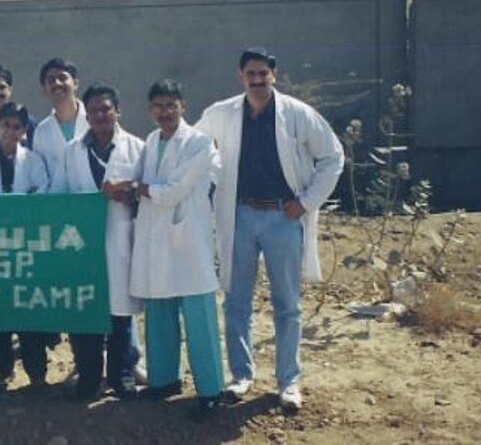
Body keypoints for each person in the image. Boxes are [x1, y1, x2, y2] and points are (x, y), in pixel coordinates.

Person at [195, 47, 344, 412]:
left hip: (284, 217)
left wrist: (306, 202)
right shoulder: (223, 113)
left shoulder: (297, 114)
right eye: (251, 74)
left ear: (273, 75)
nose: (257, 80)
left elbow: (333, 156)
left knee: (287, 304)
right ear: (240, 76)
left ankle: (289, 382)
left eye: (263, 74)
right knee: (236, 301)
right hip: (240, 214)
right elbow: (194, 146)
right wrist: (210, 179)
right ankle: (241, 376)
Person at [122, 79, 224, 421]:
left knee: (199, 320)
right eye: (158, 106)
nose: (165, 112)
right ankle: (165, 380)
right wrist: (130, 186)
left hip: (187, 240)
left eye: (171, 105)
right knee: (159, 312)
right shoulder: (151, 141)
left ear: (183, 106)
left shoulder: (198, 142)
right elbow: (141, 183)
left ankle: (210, 392)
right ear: (150, 110)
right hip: (156, 240)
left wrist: (138, 188)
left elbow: (175, 190)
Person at [56, 84, 144, 401]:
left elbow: (150, 192)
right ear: (86, 115)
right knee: (85, 313)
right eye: (93, 110)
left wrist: (131, 190)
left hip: (121, 240)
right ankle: (89, 378)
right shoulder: (72, 151)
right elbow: (59, 194)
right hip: (82, 245)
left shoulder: (136, 148)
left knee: (120, 315)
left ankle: (121, 378)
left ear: (117, 111)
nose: (100, 115)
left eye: (106, 109)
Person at [0, 103, 52, 391]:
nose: (10, 132)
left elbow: (42, 196)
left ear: (24, 131)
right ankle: (4, 370)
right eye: (5, 125)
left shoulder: (34, 161)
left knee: (29, 317)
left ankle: (37, 373)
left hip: (25, 249)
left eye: (17, 127)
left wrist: (17, 207)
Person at [32, 58, 88, 186]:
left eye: (62, 78)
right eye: (51, 80)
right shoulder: (41, 132)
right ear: (45, 89)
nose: (57, 83)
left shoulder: (95, 122)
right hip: (57, 203)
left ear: (76, 83)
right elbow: (40, 177)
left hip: (92, 201)